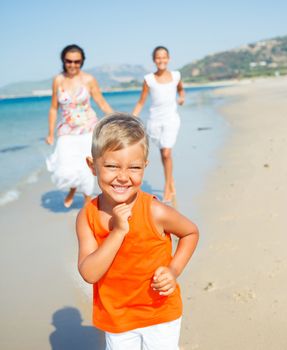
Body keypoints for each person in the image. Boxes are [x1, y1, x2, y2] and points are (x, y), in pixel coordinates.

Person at [76, 113, 199, 349]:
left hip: (160, 312)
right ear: (93, 166)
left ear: (144, 166)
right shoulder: (87, 216)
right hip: (117, 318)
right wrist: (118, 232)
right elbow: (90, 274)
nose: (123, 177)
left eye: (134, 167)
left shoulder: (154, 211)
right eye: (111, 166)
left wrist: (173, 270)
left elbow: (190, 233)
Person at [46, 44, 113, 208]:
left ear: (82, 62)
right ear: (63, 60)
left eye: (77, 61)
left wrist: (116, 120)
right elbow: (54, 108)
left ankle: (87, 199)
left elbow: (101, 102)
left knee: (87, 165)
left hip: (88, 128)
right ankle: (73, 188)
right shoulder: (58, 80)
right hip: (66, 130)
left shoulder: (88, 79)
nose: (73, 65)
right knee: (65, 167)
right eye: (69, 61)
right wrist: (50, 133)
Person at [132, 46, 185, 204]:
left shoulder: (176, 76)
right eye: (158, 58)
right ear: (154, 60)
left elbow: (181, 91)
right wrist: (131, 118)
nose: (161, 60)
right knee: (163, 153)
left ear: (168, 58)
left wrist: (182, 98)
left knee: (167, 153)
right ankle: (171, 179)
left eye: (164, 57)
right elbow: (141, 102)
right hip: (154, 121)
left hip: (171, 120)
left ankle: (167, 186)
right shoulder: (149, 79)